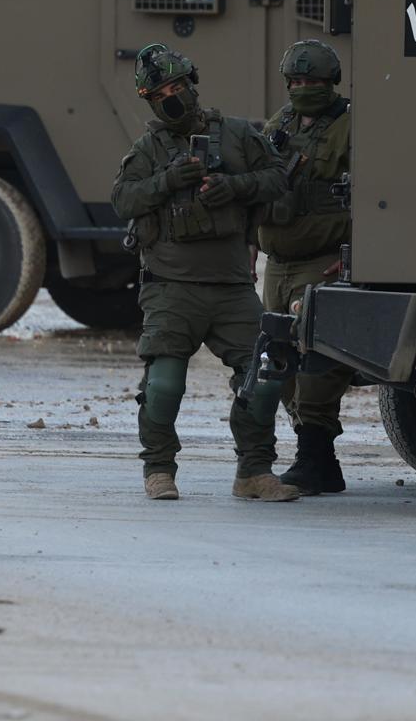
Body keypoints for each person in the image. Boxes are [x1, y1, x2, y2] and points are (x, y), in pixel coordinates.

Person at [112, 43, 300, 503]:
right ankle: (159, 469)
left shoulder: (236, 135)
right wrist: (168, 181)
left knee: (266, 373)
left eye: (177, 86)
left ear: (192, 85)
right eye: (160, 93)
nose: (172, 97)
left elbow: (278, 177)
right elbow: (123, 201)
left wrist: (232, 188)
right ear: (150, 101)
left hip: (232, 287)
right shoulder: (149, 149)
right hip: (172, 288)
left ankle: (253, 471)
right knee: (164, 383)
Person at [259, 39, 355, 496]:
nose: (302, 89)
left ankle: (317, 457)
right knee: (278, 361)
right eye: (295, 82)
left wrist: (357, 254)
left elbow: (378, 198)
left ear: (330, 81)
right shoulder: (280, 124)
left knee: (318, 360)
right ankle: (309, 447)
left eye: (312, 82)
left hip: (325, 260)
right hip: (278, 263)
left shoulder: (351, 126)